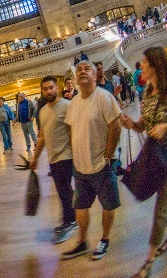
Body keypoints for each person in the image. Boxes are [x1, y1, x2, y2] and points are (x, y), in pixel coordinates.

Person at [120, 47, 167, 278]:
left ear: (154, 65)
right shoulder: (147, 92)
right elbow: (144, 123)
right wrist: (132, 124)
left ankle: (148, 261)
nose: (140, 66)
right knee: (166, 194)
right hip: (155, 153)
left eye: (143, 62)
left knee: (161, 204)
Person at [61, 61, 122, 261]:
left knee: (107, 205)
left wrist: (108, 155)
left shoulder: (104, 97)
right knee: (80, 206)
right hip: (80, 167)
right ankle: (82, 241)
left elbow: (116, 125)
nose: (82, 71)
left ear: (95, 77)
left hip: (102, 165)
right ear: (75, 78)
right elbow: (71, 128)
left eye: (87, 69)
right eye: (79, 70)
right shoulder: (75, 102)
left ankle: (104, 239)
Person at [29, 76, 76, 244]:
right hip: (53, 157)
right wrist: (35, 158)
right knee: (63, 189)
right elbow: (41, 137)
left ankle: (70, 220)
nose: (48, 91)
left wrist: (76, 154)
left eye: (51, 88)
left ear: (57, 88)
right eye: (45, 89)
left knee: (63, 189)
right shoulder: (42, 111)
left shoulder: (67, 106)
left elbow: (73, 131)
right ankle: (71, 217)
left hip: (66, 156)